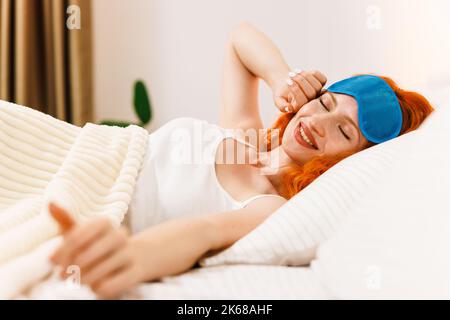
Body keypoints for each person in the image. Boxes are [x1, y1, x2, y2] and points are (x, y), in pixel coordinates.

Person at [50, 22, 434, 298]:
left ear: (353, 161)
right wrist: (282, 77)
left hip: (67, 192)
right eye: (324, 103)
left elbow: (204, 232)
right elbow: (240, 39)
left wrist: (130, 256)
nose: (317, 122)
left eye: (344, 132)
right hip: (62, 146)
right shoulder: (245, 132)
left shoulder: (269, 206)